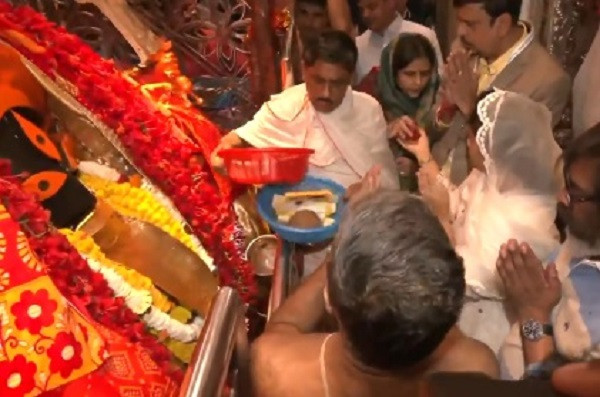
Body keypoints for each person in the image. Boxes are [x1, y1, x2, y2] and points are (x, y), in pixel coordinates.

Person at [251, 190, 499, 397]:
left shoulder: (274, 368)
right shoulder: (476, 368)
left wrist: (340, 251)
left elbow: (282, 327)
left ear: (328, 297)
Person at [398, 90, 562, 356]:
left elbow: (456, 274)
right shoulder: (492, 179)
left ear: (497, 146)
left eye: (473, 139)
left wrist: (441, 217)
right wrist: (424, 155)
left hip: (485, 334)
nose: (469, 145)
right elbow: (458, 203)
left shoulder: (522, 223)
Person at [212, 30, 398, 190]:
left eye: (336, 83)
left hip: (355, 215)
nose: (326, 92)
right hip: (291, 210)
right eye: (318, 80)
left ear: (350, 78)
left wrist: (361, 192)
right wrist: (226, 148)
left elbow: (385, 181)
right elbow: (241, 137)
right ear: (304, 70)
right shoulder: (286, 105)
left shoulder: (367, 110)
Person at [497, 123, 600, 380]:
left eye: (575, 195)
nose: (560, 198)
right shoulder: (584, 237)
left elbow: (544, 389)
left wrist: (532, 313)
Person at [432, 0, 570, 185]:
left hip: (479, 201)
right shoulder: (465, 51)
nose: (460, 32)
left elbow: (518, 165)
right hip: (432, 174)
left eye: (470, 24)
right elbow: (432, 120)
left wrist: (470, 107)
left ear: (502, 24)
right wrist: (446, 109)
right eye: (459, 21)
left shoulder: (548, 80)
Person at [377, 33, 443, 172]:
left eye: (425, 74)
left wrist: (417, 166)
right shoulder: (371, 99)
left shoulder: (441, 99)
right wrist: (386, 132)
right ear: (393, 72)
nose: (418, 82)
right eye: (409, 74)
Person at [353, 0, 443, 93]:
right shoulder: (358, 45)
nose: (365, 14)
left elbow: (439, 84)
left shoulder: (423, 35)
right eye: (361, 9)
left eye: (372, 7)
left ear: (391, 3)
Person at [285, 0, 354, 87]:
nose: (309, 22)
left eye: (317, 15)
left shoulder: (334, 54)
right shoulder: (287, 43)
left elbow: (343, 29)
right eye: (304, 13)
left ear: (326, 19)